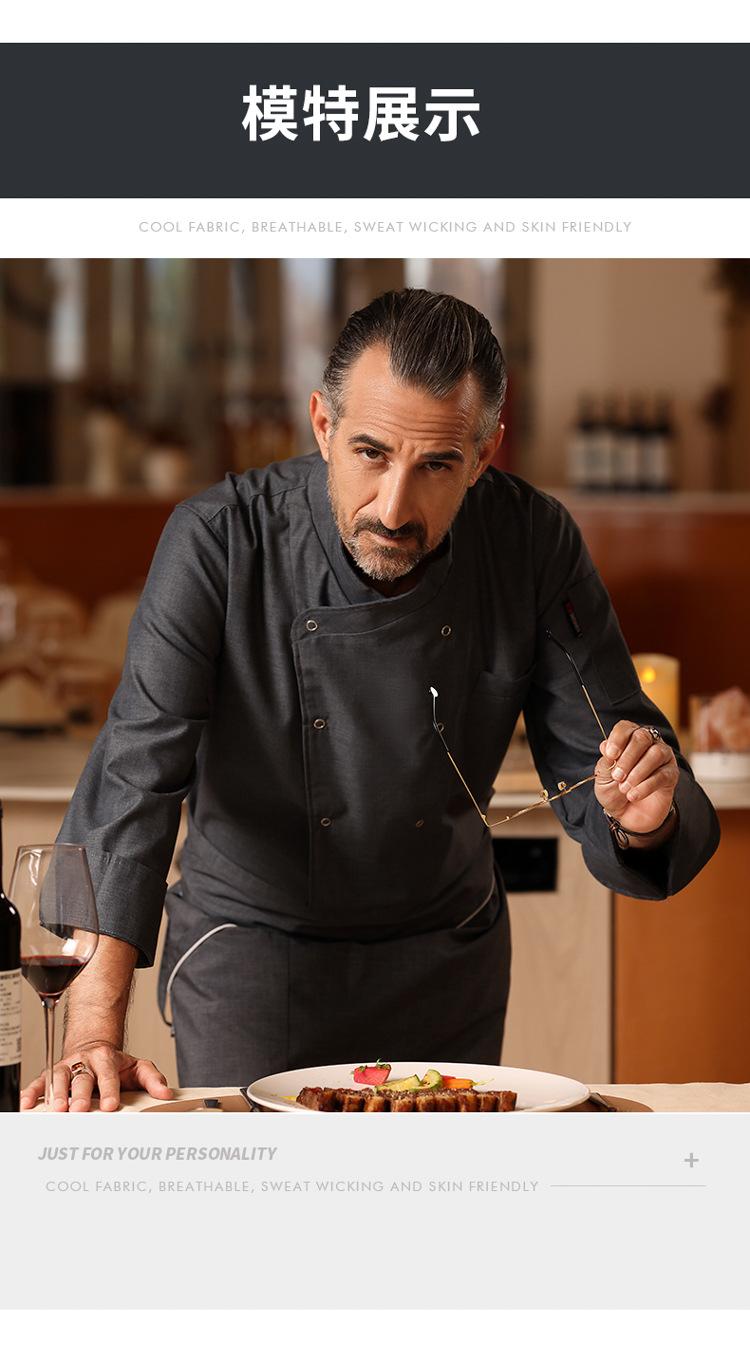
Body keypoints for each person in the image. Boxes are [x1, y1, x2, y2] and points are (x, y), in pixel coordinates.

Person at [21, 288, 720, 1112]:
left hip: (446, 963)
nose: (394, 508)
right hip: (253, 961)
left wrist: (643, 814)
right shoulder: (221, 541)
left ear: (485, 453)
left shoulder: (531, 542)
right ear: (322, 424)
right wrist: (92, 1031)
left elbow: (606, 759)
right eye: (371, 453)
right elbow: (136, 778)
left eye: (437, 466)